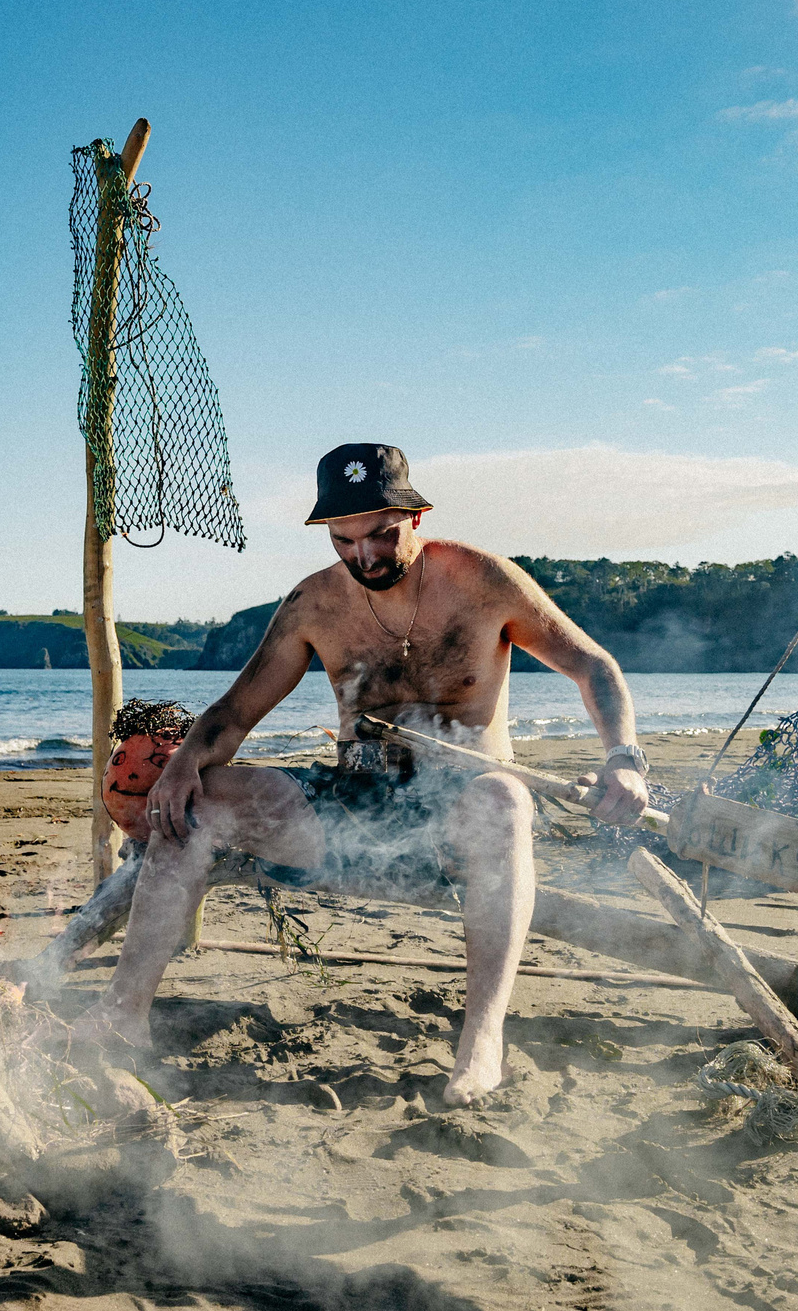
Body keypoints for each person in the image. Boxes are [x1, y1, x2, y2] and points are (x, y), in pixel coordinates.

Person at [69, 442, 650, 1105]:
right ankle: (123, 1012)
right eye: (344, 540)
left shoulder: (483, 582)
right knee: (194, 801)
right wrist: (181, 764)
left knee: (504, 801)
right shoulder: (314, 604)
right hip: (352, 800)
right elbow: (235, 711)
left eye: (381, 534)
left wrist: (624, 759)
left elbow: (593, 665)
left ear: (416, 516)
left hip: (460, 811)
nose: (365, 555)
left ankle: (481, 1043)